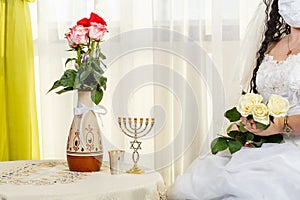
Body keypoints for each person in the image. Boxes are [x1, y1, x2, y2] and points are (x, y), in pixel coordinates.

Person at [168, 0, 300, 199]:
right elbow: (257, 97)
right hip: (262, 144)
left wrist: (281, 125)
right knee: (204, 183)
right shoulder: (271, 44)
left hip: (293, 150)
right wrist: (250, 124)